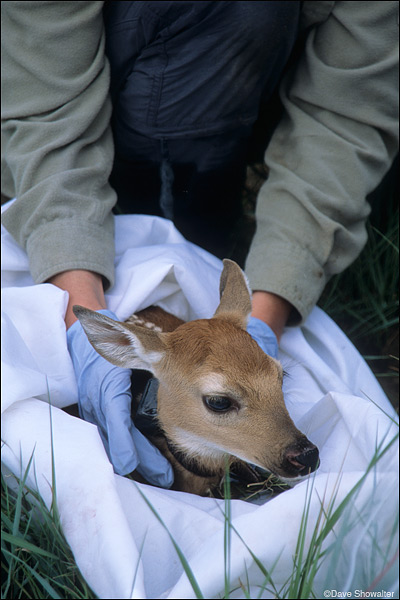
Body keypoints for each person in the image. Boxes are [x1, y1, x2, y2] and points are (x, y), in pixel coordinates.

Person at [2, 1, 398, 487]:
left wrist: (267, 314)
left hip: (260, 93)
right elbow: (45, 101)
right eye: (220, 401)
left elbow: (350, 113)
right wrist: (81, 319)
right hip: (90, 96)